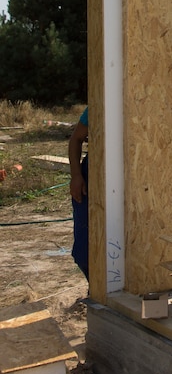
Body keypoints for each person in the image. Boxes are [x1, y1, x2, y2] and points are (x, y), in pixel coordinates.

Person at [68, 106, 89, 280]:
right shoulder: (101, 103)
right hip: (93, 176)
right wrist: (76, 175)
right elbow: (76, 138)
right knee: (84, 251)